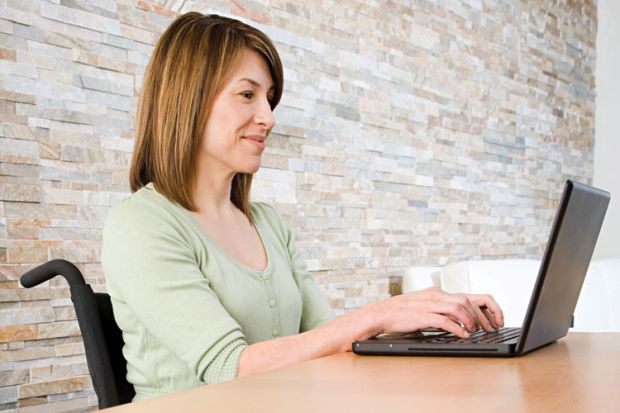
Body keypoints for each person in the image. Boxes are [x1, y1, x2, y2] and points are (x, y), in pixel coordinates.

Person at [101, 12, 504, 402]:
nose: (268, 117)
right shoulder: (140, 224)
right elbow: (231, 367)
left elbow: (330, 337)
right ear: (188, 99)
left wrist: (428, 319)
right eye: (247, 95)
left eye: (269, 99)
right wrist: (382, 314)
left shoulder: (267, 224)